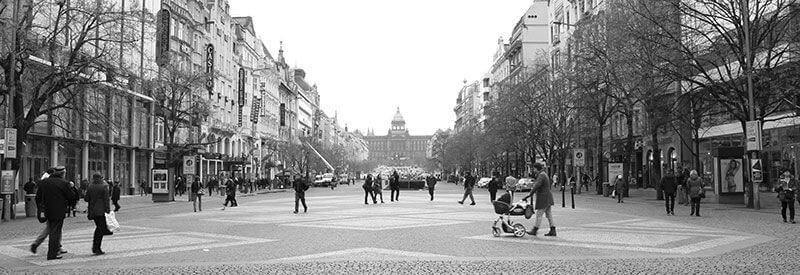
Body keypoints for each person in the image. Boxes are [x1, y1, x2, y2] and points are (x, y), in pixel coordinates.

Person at [33, 166, 78, 260]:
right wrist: (72, 189)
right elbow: (72, 198)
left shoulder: (44, 182)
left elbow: (38, 197)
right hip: (59, 211)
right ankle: (52, 254)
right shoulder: (64, 183)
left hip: (47, 211)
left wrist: (40, 208)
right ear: (63, 173)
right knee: (55, 232)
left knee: (50, 228)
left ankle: (53, 248)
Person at [522, 163, 556, 237]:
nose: (533, 170)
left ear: (537, 168)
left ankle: (535, 229)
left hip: (543, 198)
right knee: (549, 214)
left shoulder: (541, 175)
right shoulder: (544, 174)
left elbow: (537, 185)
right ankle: (553, 229)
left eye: (534, 169)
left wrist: (529, 194)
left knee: (539, 214)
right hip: (548, 197)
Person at [85, 173, 112, 255]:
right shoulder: (104, 186)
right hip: (101, 210)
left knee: (99, 227)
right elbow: (106, 199)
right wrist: (108, 210)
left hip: (93, 210)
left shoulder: (90, 186)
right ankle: (96, 247)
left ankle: (96, 246)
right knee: (100, 229)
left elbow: (86, 199)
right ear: (101, 178)